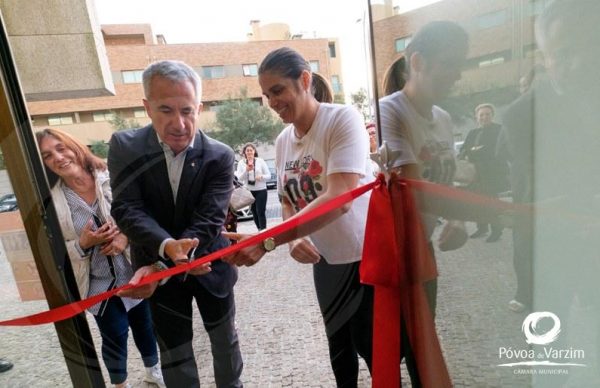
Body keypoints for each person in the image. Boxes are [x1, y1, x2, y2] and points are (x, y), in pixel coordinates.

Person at [225, 47, 374, 387]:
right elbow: (287, 200)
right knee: (339, 348)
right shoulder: (282, 141)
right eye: (266, 95)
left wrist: (270, 241)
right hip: (326, 259)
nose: (272, 102)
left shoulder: (342, 119)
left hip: (365, 255)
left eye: (278, 90)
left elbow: (339, 199)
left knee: (373, 347)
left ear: (304, 80)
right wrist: (296, 240)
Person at [107, 60, 243, 387]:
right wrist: (168, 251)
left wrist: (186, 251)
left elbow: (210, 217)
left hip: (210, 265)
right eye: (166, 110)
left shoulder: (220, 155)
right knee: (174, 352)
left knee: (225, 342)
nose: (179, 123)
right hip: (158, 270)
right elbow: (127, 208)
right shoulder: (124, 147)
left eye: (187, 110)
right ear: (147, 107)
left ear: (199, 107)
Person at [36, 128, 164, 388]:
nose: (58, 157)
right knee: (114, 333)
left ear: (75, 146)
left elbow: (142, 215)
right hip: (97, 282)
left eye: (61, 148)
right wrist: (84, 243)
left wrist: (125, 237)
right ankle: (120, 384)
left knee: (145, 326)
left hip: (131, 271)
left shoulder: (109, 176)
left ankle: (153, 370)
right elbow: (55, 250)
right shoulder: (53, 199)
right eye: (48, 156)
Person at [379, 20, 469, 386]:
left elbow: (447, 184)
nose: (458, 74)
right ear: (417, 61)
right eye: (450, 63)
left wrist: (459, 221)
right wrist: (466, 212)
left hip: (422, 248)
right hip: (393, 254)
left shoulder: (444, 119)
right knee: (397, 350)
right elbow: (414, 187)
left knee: (422, 347)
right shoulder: (390, 112)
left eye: (461, 64)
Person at [458, 103, 508, 242]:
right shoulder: (472, 133)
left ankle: (496, 230)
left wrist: (475, 151)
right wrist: (467, 153)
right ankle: (482, 227)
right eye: (481, 115)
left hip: (491, 172)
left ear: (492, 115)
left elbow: (497, 150)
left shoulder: (499, 130)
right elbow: (463, 150)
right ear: (476, 117)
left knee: (492, 202)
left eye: (487, 114)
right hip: (475, 173)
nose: (484, 117)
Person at [235, 143, 270, 231]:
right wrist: (246, 171)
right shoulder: (241, 163)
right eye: (247, 150)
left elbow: (268, 176)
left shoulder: (260, 161)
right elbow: (239, 178)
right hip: (249, 191)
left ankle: (264, 231)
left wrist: (261, 177)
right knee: (254, 212)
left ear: (254, 151)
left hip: (261, 190)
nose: (249, 152)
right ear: (244, 153)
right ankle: (259, 229)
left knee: (260, 211)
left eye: (251, 150)